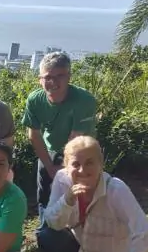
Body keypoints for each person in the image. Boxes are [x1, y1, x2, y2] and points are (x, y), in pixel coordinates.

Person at [35, 137, 148, 252]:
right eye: (75, 164)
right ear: (66, 166)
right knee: (46, 235)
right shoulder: (62, 181)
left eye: (90, 162)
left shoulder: (116, 189)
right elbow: (54, 223)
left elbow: (147, 236)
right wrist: (67, 201)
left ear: (101, 163)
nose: (82, 170)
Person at [22, 51, 97, 219]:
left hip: (82, 150)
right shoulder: (35, 100)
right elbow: (34, 135)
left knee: (79, 193)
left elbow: (75, 139)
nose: (53, 82)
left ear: (69, 77)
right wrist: (49, 167)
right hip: (51, 149)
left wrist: (63, 169)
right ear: (40, 79)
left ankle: (79, 230)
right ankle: (45, 228)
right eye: (48, 77)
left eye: (60, 76)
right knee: (45, 193)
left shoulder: (83, 100)